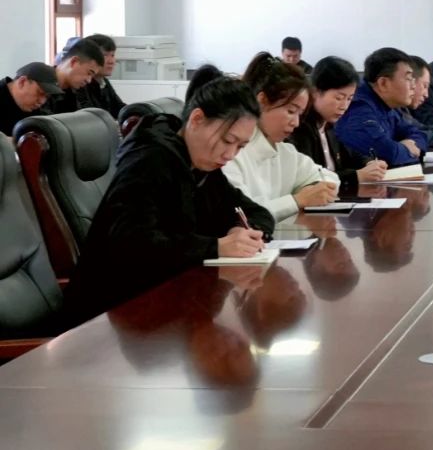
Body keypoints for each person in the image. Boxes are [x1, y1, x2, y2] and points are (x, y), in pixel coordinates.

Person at [64, 66, 276, 325]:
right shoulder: (149, 161)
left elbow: (257, 213)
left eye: (240, 146)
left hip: (169, 303)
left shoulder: (202, 166)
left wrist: (241, 231)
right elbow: (132, 245)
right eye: (227, 140)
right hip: (111, 317)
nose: (230, 154)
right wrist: (217, 246)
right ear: (197, 119)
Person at [223, 53, 339, 221]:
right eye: (291, 111)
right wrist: (297, 200)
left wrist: (313, 190)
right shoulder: (230, 152)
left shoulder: (285, 151)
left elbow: (330, 178)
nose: (296, 122)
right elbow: (242, 215)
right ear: (262, 101)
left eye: (300, 114)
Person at [288, 56, 388, 195]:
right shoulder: (299, 128)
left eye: (349, 98)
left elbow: (353, 154)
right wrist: (356, 176)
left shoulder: (331, 126)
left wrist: (369, 164)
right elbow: (311, 178)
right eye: (339, 98)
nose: (344, 106)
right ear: (315, 92)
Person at [335, 47, 433, 166]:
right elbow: (388, 155)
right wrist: (407, 149)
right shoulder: (359, 107)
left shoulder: (389, 106)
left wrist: (409, 144)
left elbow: (419, 134)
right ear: (383, 83)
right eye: (408, 79)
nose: (413, 86)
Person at [45, 37, 105, 115]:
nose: (89, 80)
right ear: (74, 62)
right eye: (89, 73)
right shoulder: (41, 87)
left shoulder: (79, 91)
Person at [70, 34, 126, 117]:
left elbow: (119, 108)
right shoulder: (80, 83)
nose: (111, 61)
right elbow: (88, 116)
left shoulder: (103, 81)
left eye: (112, 55)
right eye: (105, 55)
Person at [0, 62, 62, 136]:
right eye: (40, 93)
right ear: (22, 82)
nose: (42, 101)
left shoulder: (35, 109)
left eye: (46, 96)